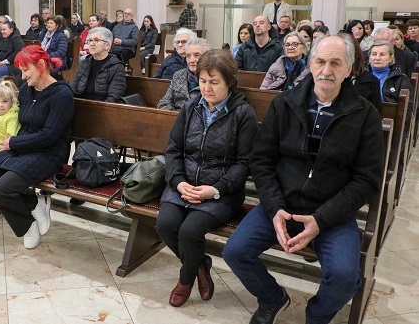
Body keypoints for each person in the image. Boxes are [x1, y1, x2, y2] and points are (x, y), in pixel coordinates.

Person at [223, 34, 384, 324]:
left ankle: (316, 316)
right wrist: (274, 208)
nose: (326, 70)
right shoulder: (284, 103)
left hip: (331, 213)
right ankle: (272, 297)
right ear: (310, 64)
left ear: (348, 69)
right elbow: (261, 160)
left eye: (336, 63)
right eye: (320, 62)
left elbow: (367, 179)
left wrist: (321, 219)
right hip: (281, 204)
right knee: (235, 252)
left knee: (345, 278)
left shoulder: (365, 114)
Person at [157, 49, 258, 307]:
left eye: (214, 82)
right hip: (184, 184)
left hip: (222, 191)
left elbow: (244, 164)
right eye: (203, 81)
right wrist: (179, 182)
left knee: (190, 231)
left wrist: (214, 190)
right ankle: (201, 265)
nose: (206, 88)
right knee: (165, 225)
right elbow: (173, 150)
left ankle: (185, 279)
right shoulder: (191, 107)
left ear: (229, 83)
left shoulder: (243, 114)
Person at [0, 45, 75, 249]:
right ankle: (34, 203)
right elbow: (10, 116)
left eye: (26, 70)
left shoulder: (62, 94)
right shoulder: (27, 89)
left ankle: (27, 226)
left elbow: (50, 135)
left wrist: (13, 143)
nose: (23, 76)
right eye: (21, 70)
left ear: (41, 65)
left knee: (1, 190)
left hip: (48, 152)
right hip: (21, 146)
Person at [70, 27, 126, 102]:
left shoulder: (116, 66)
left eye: (96, 40)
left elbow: (114, 97)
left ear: (107, 45)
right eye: (90, 40)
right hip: (80, 104)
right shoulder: (84, 62)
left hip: (102, 106)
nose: (92, 44)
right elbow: (73, 88)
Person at [157, 38, 210, 110]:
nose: (191, 60)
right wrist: (176, 115)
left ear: (207, 56)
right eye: (188, 56)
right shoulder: (178, 75)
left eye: (197, 55)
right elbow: (164, 102)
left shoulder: (211, 79)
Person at [369, 41, 412, 111]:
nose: (377, 58)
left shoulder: (400, 79)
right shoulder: (361, 76)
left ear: (391, 58)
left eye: (382, 54)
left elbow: (408, 109)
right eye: (374, 54)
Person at [0, 20, 25, 91]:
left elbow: (19, 52)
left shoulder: (16, 38)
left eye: (4, 30)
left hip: (12, 65)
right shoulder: (0, 38)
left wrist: (5, 61)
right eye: (1, 30)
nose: (2, 31)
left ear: (11, 30)